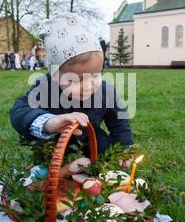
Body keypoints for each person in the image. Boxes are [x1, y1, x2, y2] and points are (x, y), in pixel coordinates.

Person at [9, 12, 133, 158]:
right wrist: (49, 122)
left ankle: (93, 167)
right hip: (56, 145)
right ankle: (61, 171)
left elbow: (119, 122)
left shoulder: (106, 92)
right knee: (47, 152)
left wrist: (125, 151)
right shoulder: (46, 87)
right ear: (55, 75)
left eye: (95, 75)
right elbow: (19, 110)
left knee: (104, 146)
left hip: (90, 142)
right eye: (75, 80)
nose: (88, 85)